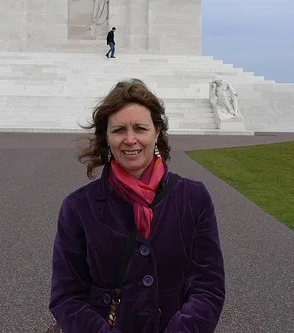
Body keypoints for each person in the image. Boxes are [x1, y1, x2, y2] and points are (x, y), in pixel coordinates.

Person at [49, 79, 225, 332]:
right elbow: (66, 297)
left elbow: (208, 286)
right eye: (119, 130)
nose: (130, 140)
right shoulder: (78, 207)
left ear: (157, 132)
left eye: (140, 128)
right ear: (106, 137)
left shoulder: (193, 198)